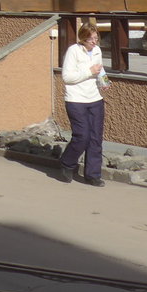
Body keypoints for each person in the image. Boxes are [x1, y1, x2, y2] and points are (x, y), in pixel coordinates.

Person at [56, 23, 108, 187]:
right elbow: (67, 77)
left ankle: (93, 175)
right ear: (83, 38)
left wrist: (104, 81)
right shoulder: (74, 51)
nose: (94, 41)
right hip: (76, 99)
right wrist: (89, 72)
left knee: (95, 138)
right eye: (91, 38)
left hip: (95, 99)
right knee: (82, 136)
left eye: (96, 37)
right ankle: (67, 163)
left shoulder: (97, 51)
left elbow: (99, 69)